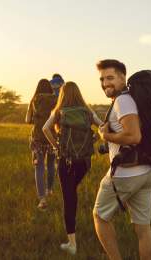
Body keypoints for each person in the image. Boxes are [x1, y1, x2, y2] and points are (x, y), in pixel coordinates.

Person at [93, 59, 151, 260]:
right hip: (147, 172)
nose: (105, 83)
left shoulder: (123, 101)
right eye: (102, 79)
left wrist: (106, 136)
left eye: (110, 78)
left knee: (99, 217)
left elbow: (134, 136)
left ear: (123, 77)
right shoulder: (132, 99)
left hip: (126, 174)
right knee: (143, 228)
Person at [43, 81, 103, 255]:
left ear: (63, 94)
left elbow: (45, 129)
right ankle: (74, 238)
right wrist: (93, 141)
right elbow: (102, 126)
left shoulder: (59, 112)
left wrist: (56, 146)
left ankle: (72, 244)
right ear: (78, 93)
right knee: (72, 192)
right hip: (84, 162)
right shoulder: (87, 111)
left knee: (69, 199)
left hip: (66, 161)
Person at [25, 79, 57, 211]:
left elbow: (27, 120)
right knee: (51, 165)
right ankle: (49, 189)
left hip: (37, 138)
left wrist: (35, 119)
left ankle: (42, 199)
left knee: (38, 168)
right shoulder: (56, 100)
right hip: (52, 137)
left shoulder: (34, 100)